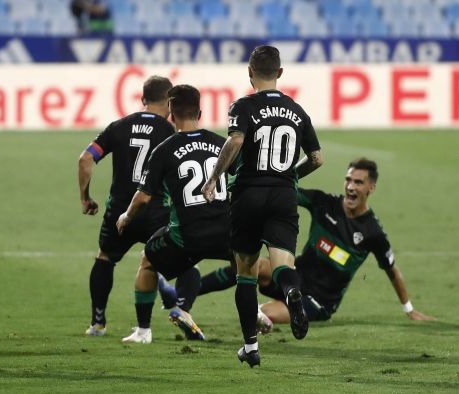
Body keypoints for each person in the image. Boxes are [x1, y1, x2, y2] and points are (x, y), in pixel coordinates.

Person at [163, 158, 435, 333]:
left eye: (358, 182)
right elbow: (286, 191)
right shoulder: (324, 203)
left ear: (371, 188)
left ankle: (262, 318)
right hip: (295, 276)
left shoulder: (372, 232)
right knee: (249, 264)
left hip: (318, 301)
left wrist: (408, 309)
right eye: (348, 180)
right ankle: (184, 296)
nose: (351, 187)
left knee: (260, 314)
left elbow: (391, 269)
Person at [201, 45, 323, 368]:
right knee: (284, 266)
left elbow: (236, 141)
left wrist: (214, 177)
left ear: (250, 73)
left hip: (248, 195)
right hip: (284, 196)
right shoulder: (297, 111)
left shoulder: (243, 106)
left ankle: (251, 346)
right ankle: (292, 294)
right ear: (280, 73)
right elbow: (317, 158)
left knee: (246, 274)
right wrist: (291, 176)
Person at [117, 84, 230, 344]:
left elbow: (143, 196)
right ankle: (256, 317)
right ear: (200, 112)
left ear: (170, 112)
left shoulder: (165, 149)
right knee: (248, 267)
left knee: (148, 259)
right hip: (226, 231)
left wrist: (126, 216)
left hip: (187, 236)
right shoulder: (221, 144)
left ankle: (143, 332)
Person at [78, 76, 175, 337]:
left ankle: (97, 323)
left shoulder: (118, 127)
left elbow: (85, 159)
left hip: (120, 211)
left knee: (105, 258)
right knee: (158, 261)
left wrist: (85, 197)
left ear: (143, 99)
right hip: (155, 210)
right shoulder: (170, 131)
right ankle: (167, 309)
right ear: (169, 101)